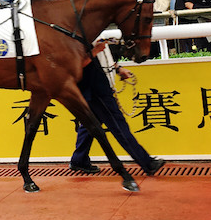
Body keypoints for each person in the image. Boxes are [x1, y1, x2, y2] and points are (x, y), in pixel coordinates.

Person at [69, 40, 164, 176]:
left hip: (96, 89)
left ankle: (79, 160)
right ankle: (147, 163)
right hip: (97, 90)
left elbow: (103, 57)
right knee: (119, 127)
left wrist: (118, 69)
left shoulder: (93, 33)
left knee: (90, 127)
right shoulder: (81, 34)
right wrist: (95, 51)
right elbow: (76, 65)